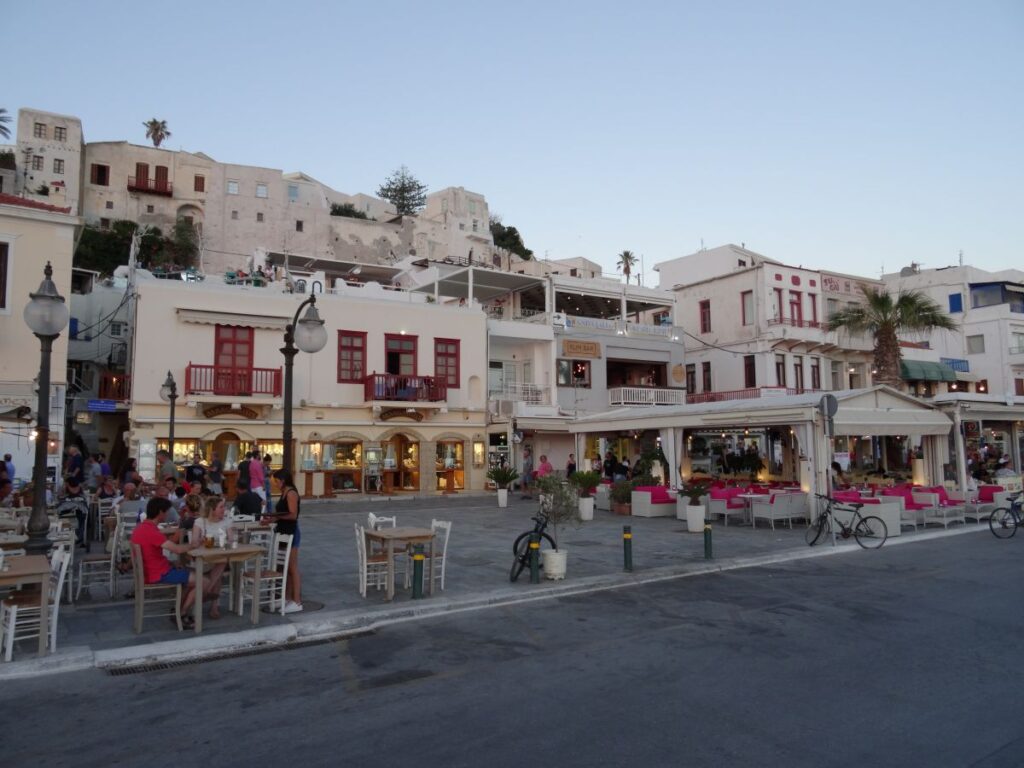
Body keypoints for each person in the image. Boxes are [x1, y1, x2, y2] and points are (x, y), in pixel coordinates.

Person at [129, 497, 202, 629]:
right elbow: (177, 549)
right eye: (167, 511)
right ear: (160, 512)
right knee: (200, 580)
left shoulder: (139, 528)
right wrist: (194, 545)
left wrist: (171, 563)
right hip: (158, 574)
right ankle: (181, 613)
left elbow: (152, 555)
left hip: (150, 571)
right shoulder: (152, 532)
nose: (168, 514)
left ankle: (178, 609)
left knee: (188, 575)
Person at [262, 469, 303, 613]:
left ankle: (297, 601)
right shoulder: (284, 492)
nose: (275, 484)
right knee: (286, 567)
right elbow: (282, 514)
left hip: (291, 532)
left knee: (292, 567)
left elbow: (292, 515)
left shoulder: (291, 493)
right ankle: (287, 598)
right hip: (284, 531)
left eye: (277, 481)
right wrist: (271, 519)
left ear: (283, 480)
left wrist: (277, 517)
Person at [192, 496, 234, 619]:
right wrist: (201, 540)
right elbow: (193, 542)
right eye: (221, 507)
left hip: (220, 556)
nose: (224, 509)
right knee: (220, 567)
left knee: (221, 562)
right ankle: (214, 606)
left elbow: (231, 540)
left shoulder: (227, 521)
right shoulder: (200, 522)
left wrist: (226, 541)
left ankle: (206, 592)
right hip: (203, 558)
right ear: (212, 509)